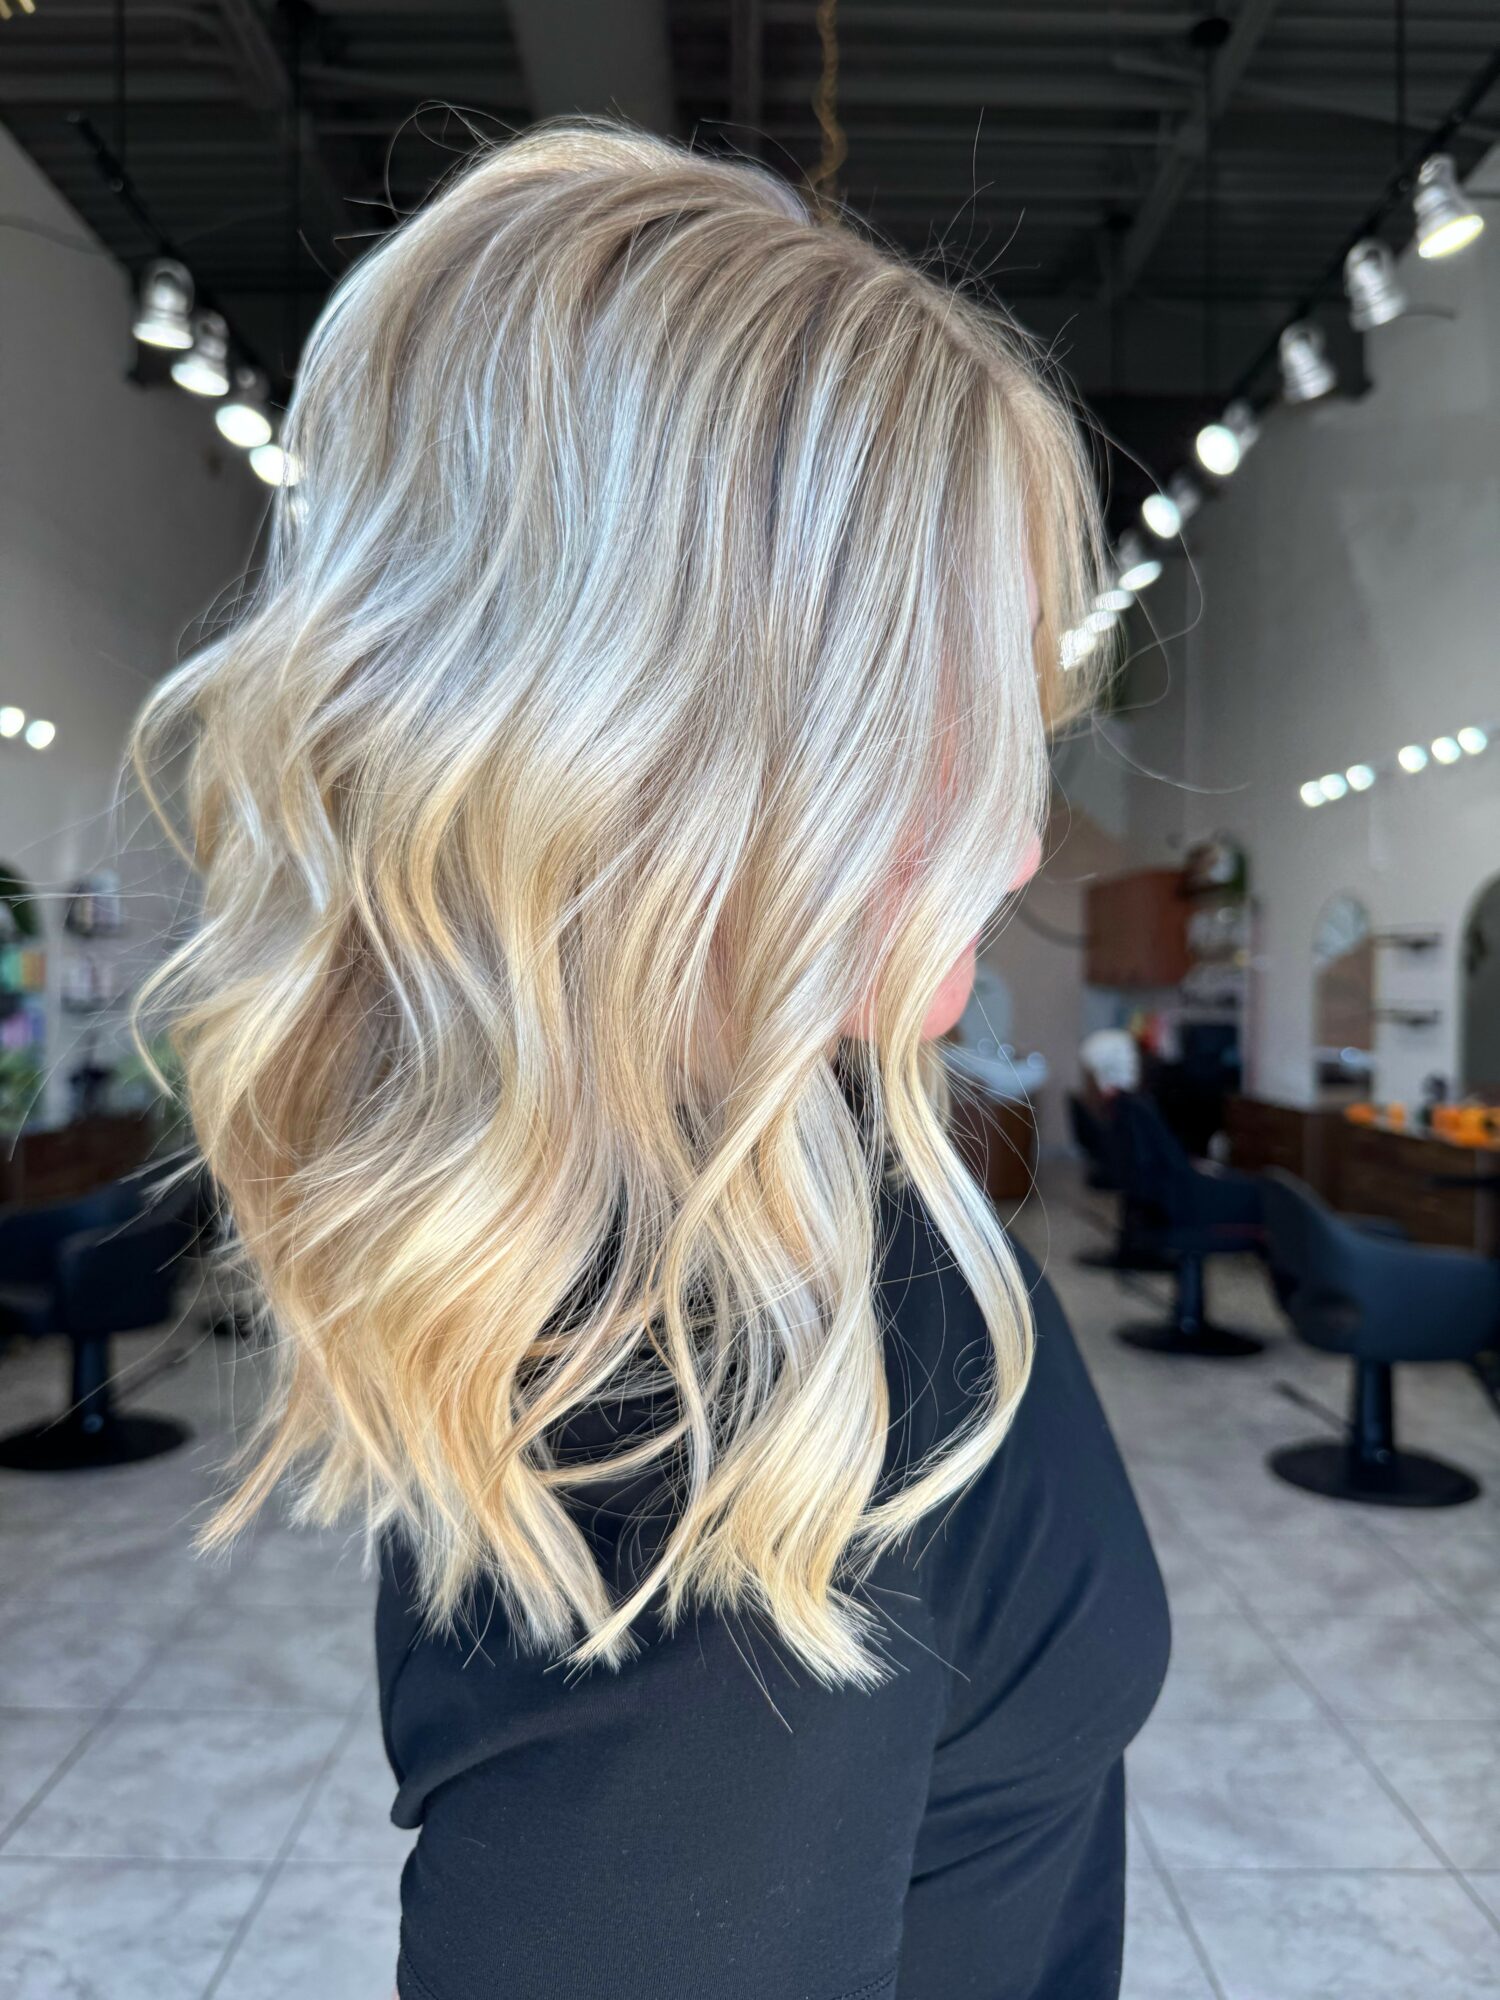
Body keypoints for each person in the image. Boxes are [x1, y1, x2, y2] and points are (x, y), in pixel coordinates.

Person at [131, 123, 1170, 2000]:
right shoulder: (712, 1410)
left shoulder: (787, 1187)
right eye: (944, 726)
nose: (1017, 844)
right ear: (683, 766)